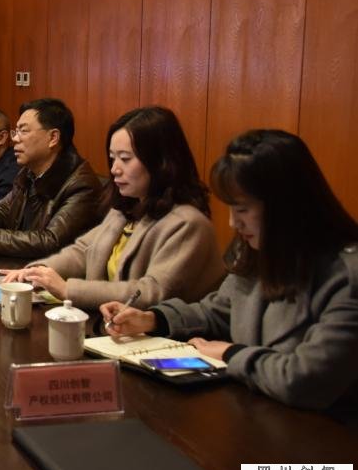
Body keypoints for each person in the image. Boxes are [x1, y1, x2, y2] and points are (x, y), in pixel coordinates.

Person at [101, 130, 358, 420]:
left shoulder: (346, 277)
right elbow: (218, 311)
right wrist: (152, 319)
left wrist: (230, 354)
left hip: (326, 438)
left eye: (242, 210)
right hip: (256, 416)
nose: (233, 222)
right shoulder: (259, 251)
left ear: (285, 207)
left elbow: (305, 380)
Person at [2, 106, 224, 309]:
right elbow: (82, 251)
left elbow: (152, 292)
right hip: (111, 324)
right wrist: (37, 272)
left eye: (125, 159)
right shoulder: (126, 209)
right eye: (112, 158)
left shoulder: (187, 224)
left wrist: (67, 289)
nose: (115, 169)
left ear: (161, 162)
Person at [0, 98, 101, 258]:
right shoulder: (28, 172)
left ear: (53, 138)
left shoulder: (81, 185)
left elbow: (50, 241)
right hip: (22, 265)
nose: (15, 139)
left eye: (23, 131)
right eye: (16, 131)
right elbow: (2, 210)